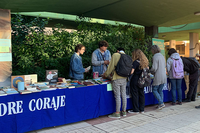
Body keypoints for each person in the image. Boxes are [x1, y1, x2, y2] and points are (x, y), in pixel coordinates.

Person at [102, 48, 127, 118]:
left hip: (116, 78)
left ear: (117, 51)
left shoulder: (115, 55)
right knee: (124, 95)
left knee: (118, 96)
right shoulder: (126, 56)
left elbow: (110, 67)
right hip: (124, 78)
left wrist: (106, 75)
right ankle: (124, 112)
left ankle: (117, 113)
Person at [128, 49, 149, 114]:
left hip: (135, 79)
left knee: (135, 94)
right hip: (142, 80)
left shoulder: (135, 62)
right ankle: (142, 109)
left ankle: (136, 109)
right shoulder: (145, 62)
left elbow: (132, 72)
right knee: (141, 94)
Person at [150, 45, 167, 109]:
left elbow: (154, 68)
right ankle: (161, 103)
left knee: (154, 89)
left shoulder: (155, 56)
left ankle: (161, 102)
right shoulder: (162, 56)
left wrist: (150, 71)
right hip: (163, 75)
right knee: (160, 90)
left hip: (158, 75)